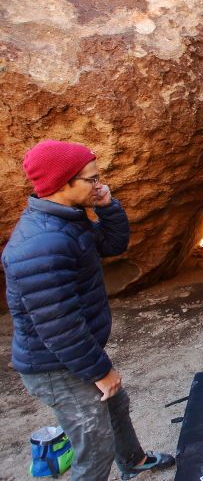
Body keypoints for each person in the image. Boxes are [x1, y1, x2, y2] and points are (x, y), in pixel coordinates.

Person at [2, 140, 174, 481]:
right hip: (56, 367)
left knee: (117, 406)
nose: (100, 184)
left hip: (74, 354)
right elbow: (59, 327)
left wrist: (107, 206)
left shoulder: (67, 219)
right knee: (95, 450)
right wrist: (100, 371)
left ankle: (134, 461)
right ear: (63, 184)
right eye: (92, 180)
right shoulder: (42, 243)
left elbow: (112, 244)